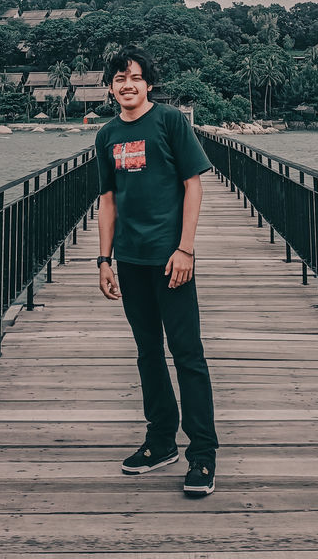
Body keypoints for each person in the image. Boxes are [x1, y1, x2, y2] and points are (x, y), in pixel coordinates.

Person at [95, 47, 219, 497]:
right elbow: (107, 201)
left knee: (188, 355)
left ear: (148, 83)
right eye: (119, 79)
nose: (127, 85)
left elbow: (193, 185)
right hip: (130, 261)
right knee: (148, 353)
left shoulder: (169, 122)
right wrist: (104, 260)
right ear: (110, 87)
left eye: (135, 77)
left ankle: (202, 455)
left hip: (172, 261)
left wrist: (186, 249)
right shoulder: (106, 135)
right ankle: (161, 442)